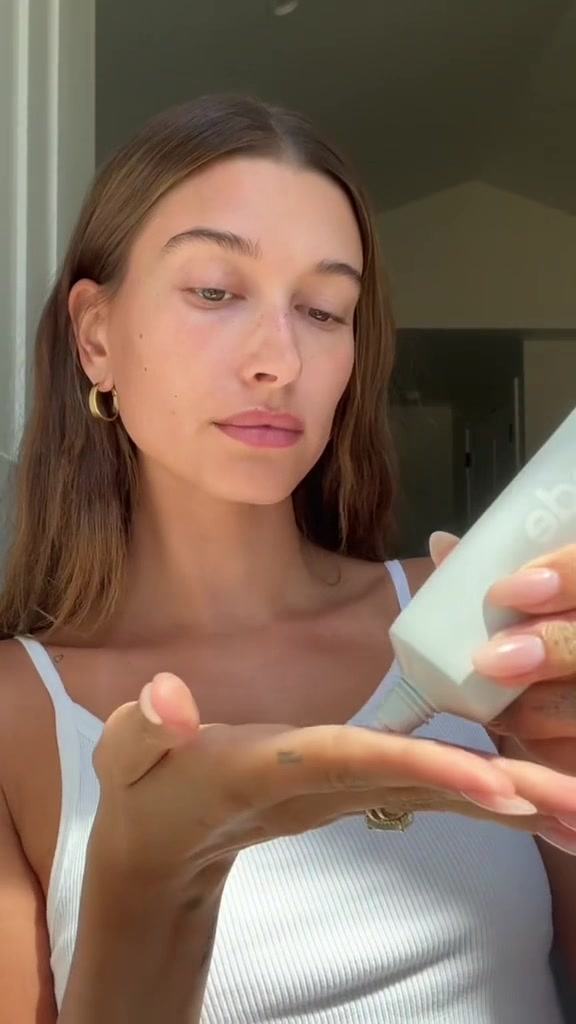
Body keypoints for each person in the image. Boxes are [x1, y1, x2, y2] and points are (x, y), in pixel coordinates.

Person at [0, 94, 575, 1024]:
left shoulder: (467, 620)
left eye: (323, 309)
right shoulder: (17, 716)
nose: (281, 360)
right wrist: (148, 884)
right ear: (95, 337)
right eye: (215, 292)